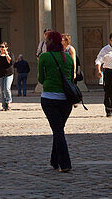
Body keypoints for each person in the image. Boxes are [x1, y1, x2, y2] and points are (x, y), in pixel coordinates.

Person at [38, 30, 75, 173]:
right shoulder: (68, 58)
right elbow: (71, 79)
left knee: (58, 130)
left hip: (49, 98)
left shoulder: (45, 57)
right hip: (66, 100)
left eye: (47, 40)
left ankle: (65, 163)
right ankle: (54, 160)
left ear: (51, 42)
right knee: (58, 129)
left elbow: (41, 79)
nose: (45, 42)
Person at [0, 42, 14, 110]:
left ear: (6, 47)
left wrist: (6, 54)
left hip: (8, 74)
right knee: (2, 90)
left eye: (3, 47)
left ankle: (8, 102)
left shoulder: (10, 54)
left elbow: (10, 62)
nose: (1, 48)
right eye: (0, 47)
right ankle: (4, 105)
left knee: (7, 88)